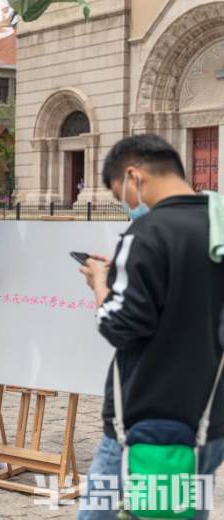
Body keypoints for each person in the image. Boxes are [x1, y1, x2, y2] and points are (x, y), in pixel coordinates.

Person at [78, 134, 224, 519]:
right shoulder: (218, 224)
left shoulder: (148, 232)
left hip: (147, 417)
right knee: (182, 510)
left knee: (103, 510)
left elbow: (120, 325)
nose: (127, 205)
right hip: (209, 415)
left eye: (120, 195)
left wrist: (100, 284)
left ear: (133, 176)